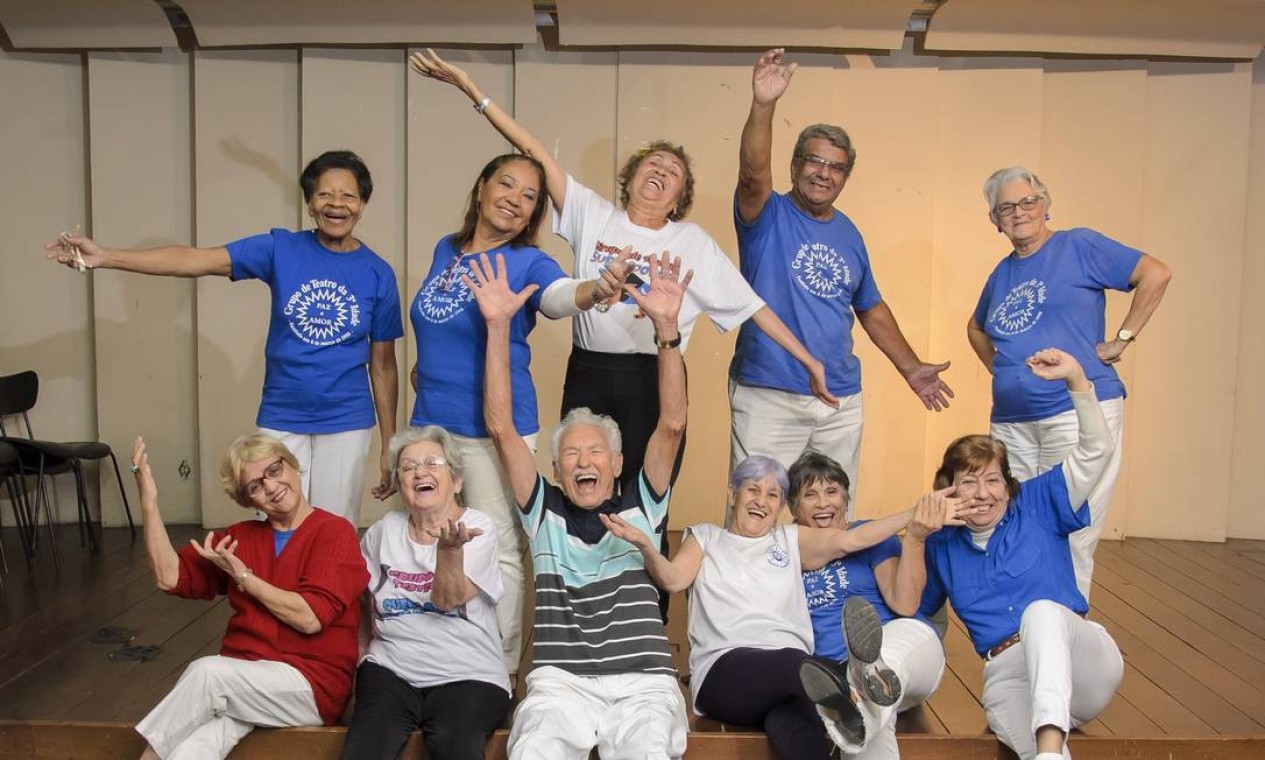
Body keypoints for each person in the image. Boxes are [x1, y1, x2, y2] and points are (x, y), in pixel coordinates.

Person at [409, 49, 835, 499]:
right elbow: (531, 150)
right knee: (582, 485)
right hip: (589, 369)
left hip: (654, 376)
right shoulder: (591, 213)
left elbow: (754, 308)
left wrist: (809, 361)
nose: (661, 170)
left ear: (677, 199)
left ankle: (645, 568)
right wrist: (474, 92)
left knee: (647, 491)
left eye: (673, 172)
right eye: (652, 163)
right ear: (630, 179)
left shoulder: (692, 241)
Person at [48, 151, 404, 525]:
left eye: (348, 196)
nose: (336, 204)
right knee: (277, 516)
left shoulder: (377, 273)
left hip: (346, 416)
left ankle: (330, 587)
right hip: (283, 410)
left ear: (362, 204)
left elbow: (383, 366)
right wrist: (105, 257)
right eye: (324, 195)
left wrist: (389, 444)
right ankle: (276, 587)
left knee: (335, 524)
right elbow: (195, 260)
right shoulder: (281, 249)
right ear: (310, 204)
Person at [602, 454, 977, 760]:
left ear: (781, 506)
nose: (761, 501)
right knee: (795, 665)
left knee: (797, 730)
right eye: (752, 489)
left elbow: (851, 539)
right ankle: (860, 674)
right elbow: (672, 580)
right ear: (733, 492)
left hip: (792, 683)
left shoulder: (789, 540)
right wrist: (648, 547)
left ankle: (857, 684)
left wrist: (916, 513)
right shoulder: (706, 538)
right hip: (726, 672)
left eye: (772, 495)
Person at [407, 153, 624, 675]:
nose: (516, 199)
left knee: (499, 548)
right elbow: (437, 324)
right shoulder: (446, 249)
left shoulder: (527, 262)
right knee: (431, 539)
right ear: (481, 188)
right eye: (507, 184)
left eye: (530, 197)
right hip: (430, 424)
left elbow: (556, 296)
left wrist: (595, 289)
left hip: (493, 428)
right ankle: (437, 652)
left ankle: (499, 669)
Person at [475, 251, 691, 759]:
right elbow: (502, 428)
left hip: (644, 683)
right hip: (561, 685)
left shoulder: (643, 503)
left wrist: (667, 329)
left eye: (596, 451)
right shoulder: (543, 512)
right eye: (570, 453)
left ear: (618, 463)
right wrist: (498, 328)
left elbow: (672, 424)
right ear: (556, 470)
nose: (583, 461)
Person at [730, 49, 953, 505]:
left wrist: (911, 368)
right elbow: (753, 173)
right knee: (755, 511)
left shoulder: (849, 233)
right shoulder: (766, 213)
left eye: (836, 167)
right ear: (794, 167)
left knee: (831, 514)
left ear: (846, 177)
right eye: (814, 161)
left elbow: (869, 307)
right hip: (769, 393)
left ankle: (821, 581)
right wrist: (764, 105)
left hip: (839, 401)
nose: (823, 173)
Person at [967, 167, 1171, 597]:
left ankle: (1065, 636)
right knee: (1015, 528)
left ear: (1045, 206)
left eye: (1028, 202)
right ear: (994, 220)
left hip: (1075, 414)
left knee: (1074, 529)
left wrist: (1122, 339)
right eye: (1007, 207)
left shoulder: (1077, 245)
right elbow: (976, 328)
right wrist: (1005, 370)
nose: (1019, 212)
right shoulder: (1002, 273)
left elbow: (1155, 273)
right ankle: (1024, 637)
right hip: (1013, 423)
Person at [918, 348, 1123, 760]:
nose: (982, 493)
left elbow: (1096, 451)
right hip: (1008, 671)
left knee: (1041, 612)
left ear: (1007, 484)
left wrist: (1077, 381)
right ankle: (1049, 755)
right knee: (1015, 727)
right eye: (969, 482)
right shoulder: (939, 544)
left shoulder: (1037, 501)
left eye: (993, 480)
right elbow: (922, 619)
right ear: (948, 488)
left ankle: (1049, 748)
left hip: (1080, 659)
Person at [130, 433, 367, 760]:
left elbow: (309, 617)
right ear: (248, 500)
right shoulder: (239, 539)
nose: (270, 486)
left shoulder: (334, 532)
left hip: (309, 686)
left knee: (208, 674)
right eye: (254, 486)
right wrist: (149, 502)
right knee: (193, 750)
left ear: (293, 466)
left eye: (273, 470)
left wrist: (243, 577)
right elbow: (168, 576)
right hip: (241, 685)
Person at [340, 425, 510, 760]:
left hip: (469, 673)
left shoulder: (477, 528)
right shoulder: (382, 532)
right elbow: (358, 598)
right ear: (400, 485)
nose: (420, 472)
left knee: (454, 745)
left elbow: (448, 599)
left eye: (433, 463)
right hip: (392, 671)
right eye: (408, 467)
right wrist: (361, 657)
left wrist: (448, 551)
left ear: (456, 480)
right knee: (363, 751)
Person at [788, 452, 947, 758]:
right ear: (793, 507)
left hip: (907, 647)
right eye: (810, 495)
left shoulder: (873, 533)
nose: (823, 503)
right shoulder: (788, 548)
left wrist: (913, 538)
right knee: (872, 698)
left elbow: (904, 603)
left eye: (832, 492)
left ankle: (861, 686)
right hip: (842, 676)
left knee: (877, 668)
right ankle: (858, 700)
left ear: (846, 500)